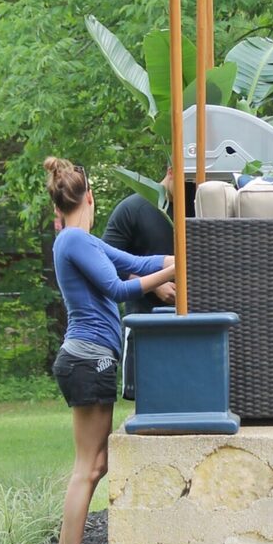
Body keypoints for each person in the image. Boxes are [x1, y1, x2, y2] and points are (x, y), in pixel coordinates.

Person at [45, 157, 175, 544]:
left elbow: (132, 261)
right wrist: (173, 270)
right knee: (88, 466)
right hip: (89, 357)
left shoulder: (78, 240)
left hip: (87, 356)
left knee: (93, 464)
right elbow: (118, 288)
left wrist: (172, 256)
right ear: (91, 198)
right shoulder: (75, 243)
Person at [103, 169, 174, 401]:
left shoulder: (198, 208)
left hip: (190, 320)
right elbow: (106, 263)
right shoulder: (133, 208)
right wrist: (155, 285)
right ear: (171, 172)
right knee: (147, 399)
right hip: (144, 319)